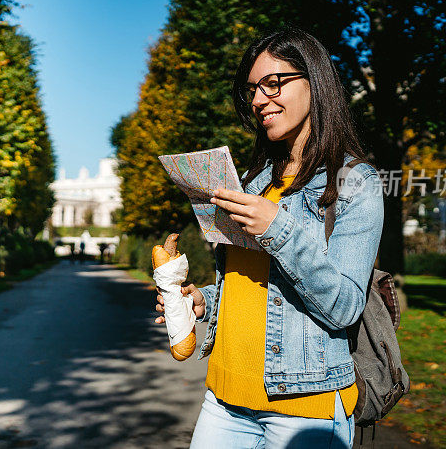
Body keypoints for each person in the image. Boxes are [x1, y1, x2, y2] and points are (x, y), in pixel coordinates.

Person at [155, 26, 384, 448]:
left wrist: (278, 228)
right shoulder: (252, 182)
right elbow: (251, 287)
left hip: (304, 407)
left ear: (314, 82)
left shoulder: (356, 183)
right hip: (223, 400)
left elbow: (345, 306)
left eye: (273, 83)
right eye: (253, 90)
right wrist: (205, 299)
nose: (259, 99)